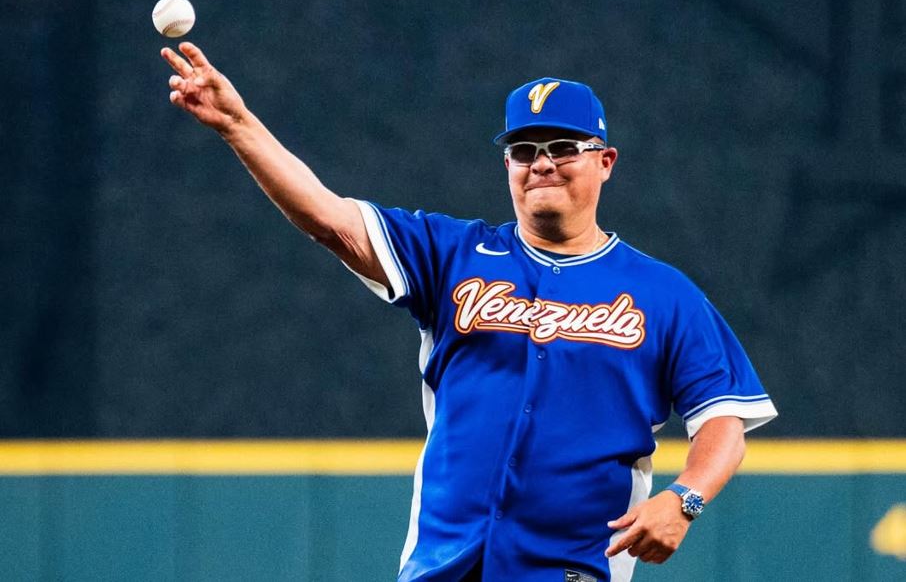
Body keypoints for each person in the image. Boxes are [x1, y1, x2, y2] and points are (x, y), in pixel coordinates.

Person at [161, 42, 777, 582]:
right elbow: (329, 218)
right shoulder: (452, 254)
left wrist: (686, 499)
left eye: (563, 146)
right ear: (506, 164)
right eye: (523, 149)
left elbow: (722, 419)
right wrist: (239, 125)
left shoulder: (662, 293)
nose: (541, 163)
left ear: (605, 161)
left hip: (573, 568)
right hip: (444, 564)